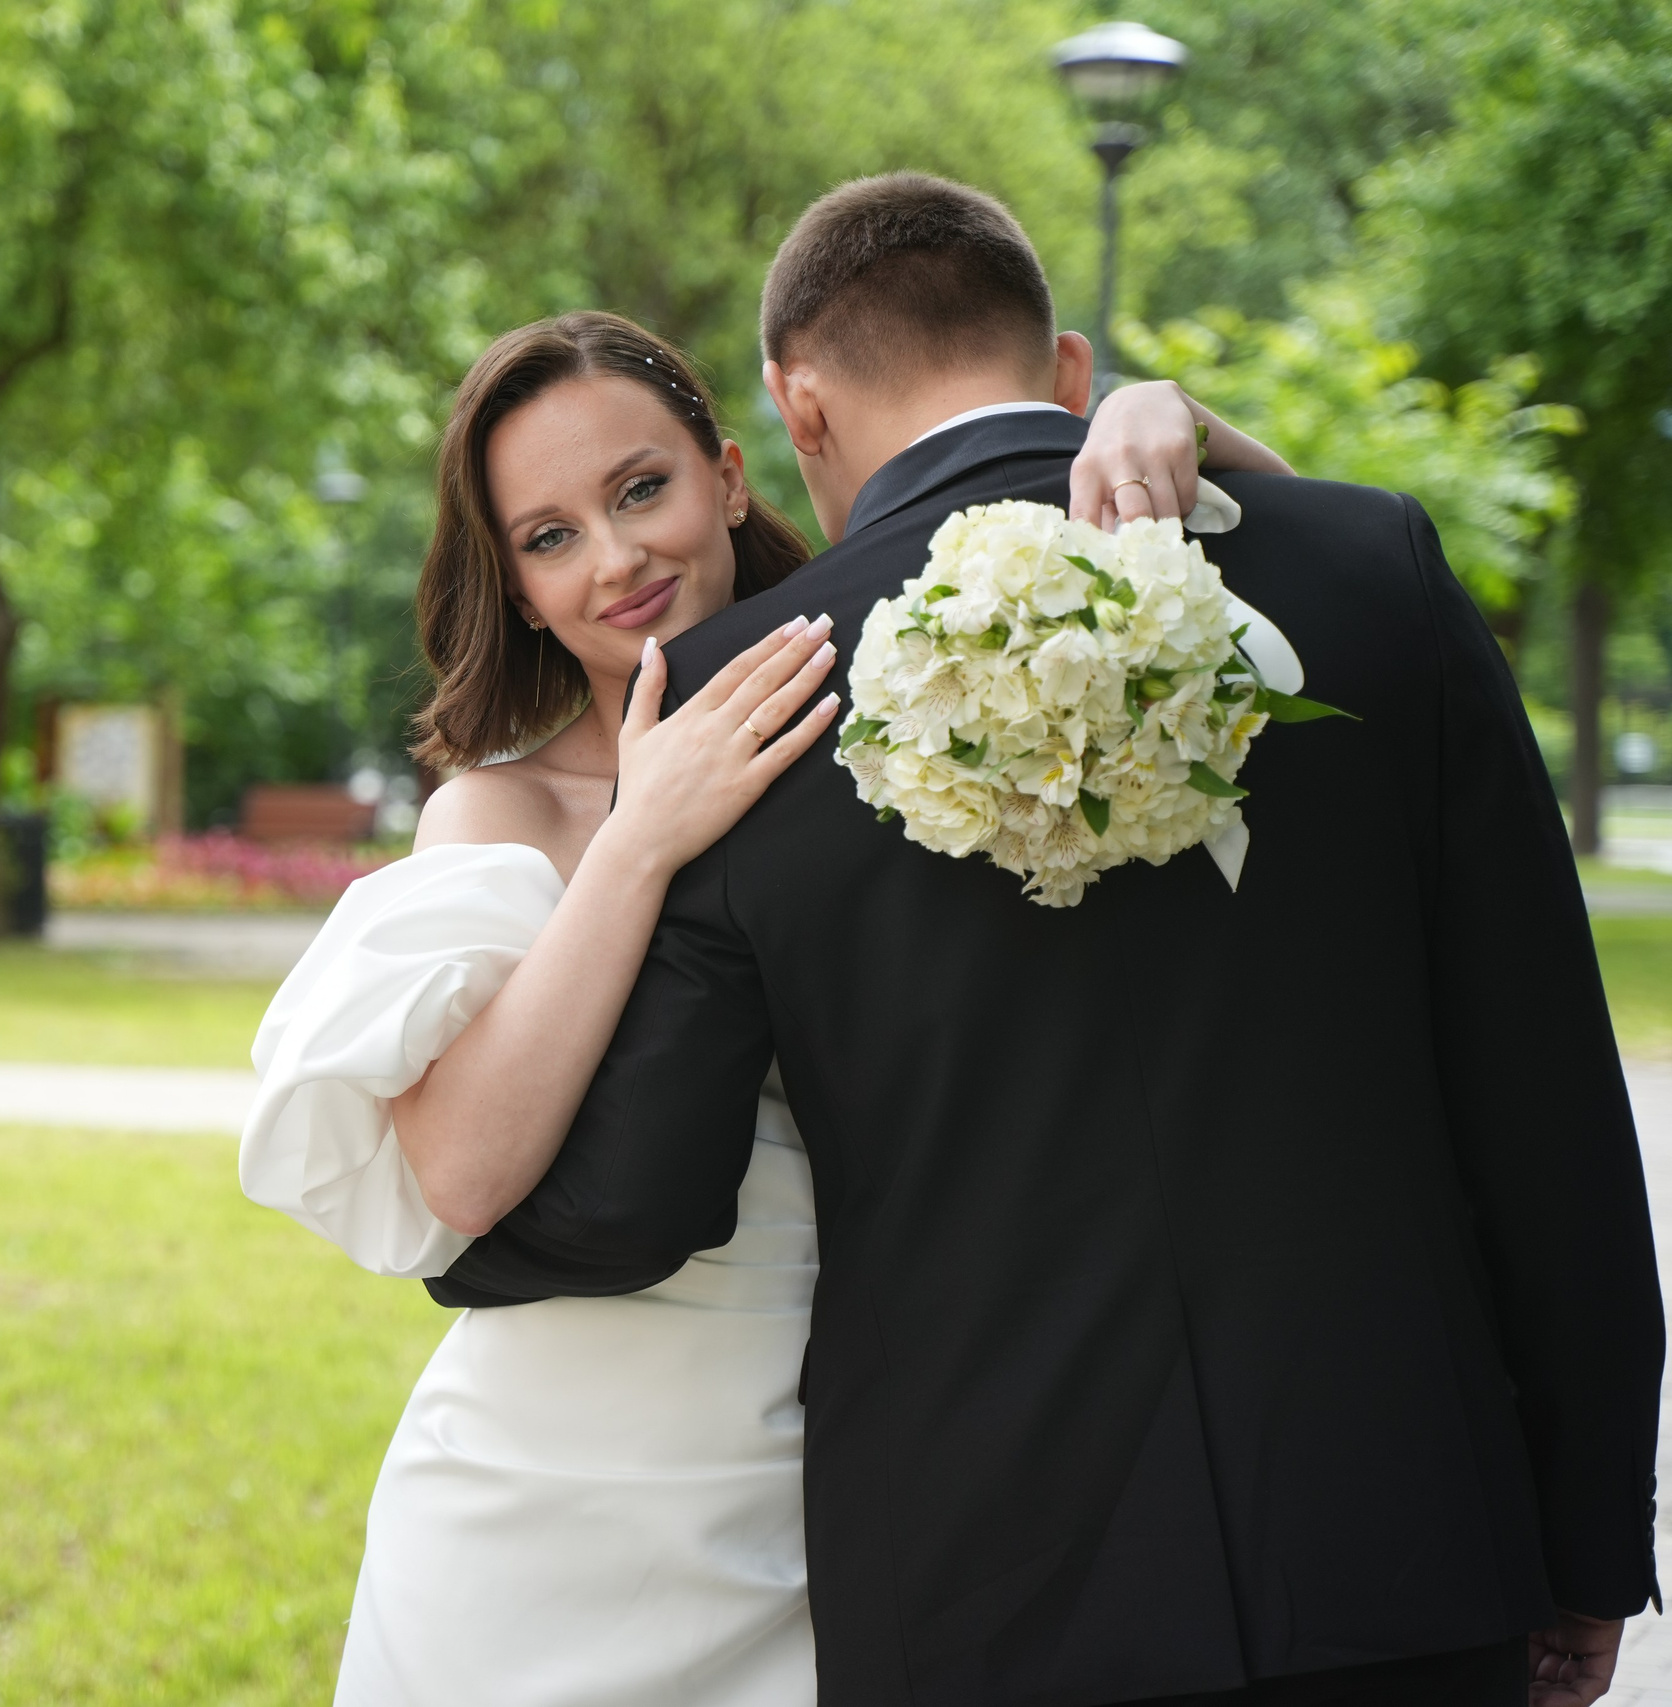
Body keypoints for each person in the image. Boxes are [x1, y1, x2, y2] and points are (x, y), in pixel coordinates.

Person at [435, 175, 1665, 1707]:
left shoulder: (733, 699)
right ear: (1068, 367)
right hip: (1399, 1549)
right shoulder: (1372, 570)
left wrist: (449, 1228)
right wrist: (1589, 1536)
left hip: (988, 1596)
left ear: (795, 408)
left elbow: (639, 1200)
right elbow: (1547, 1103)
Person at [242, 308, 1290, 1705]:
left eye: (640, 490)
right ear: (520, 589)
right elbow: (464, 1173)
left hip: (843, 1496)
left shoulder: (916, 707)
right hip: (543, 1513)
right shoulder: (503, 813)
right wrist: (639, 836)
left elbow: (1307, 575)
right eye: (549, 537)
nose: (614, 559)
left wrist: (1173, 419)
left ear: (730, 477)